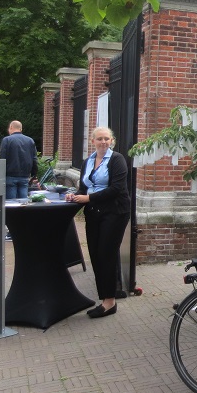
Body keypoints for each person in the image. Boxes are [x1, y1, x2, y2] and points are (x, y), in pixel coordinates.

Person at [66, 127, 130, 319]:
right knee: (94, 253)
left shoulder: (117, 160)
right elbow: (84, 187)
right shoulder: (88, 161)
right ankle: (105, 297)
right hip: (94, 212)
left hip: (114, 211)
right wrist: (75, 195)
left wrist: (88, 198)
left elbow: (117, 188)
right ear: (93, 141)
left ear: (112, 141)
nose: (103, 142)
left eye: (107, 139)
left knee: (106, 254)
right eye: (99, 139)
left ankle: (109, 302)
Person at [0, 120, 38, 201]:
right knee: (24, 201)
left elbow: (2, 158)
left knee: (11, 202)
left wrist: (1, 174)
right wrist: (34, 174)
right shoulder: (30, 141)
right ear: (21, 129)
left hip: (10, 175)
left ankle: (13, 213)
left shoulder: (7, 140)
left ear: (11, 127)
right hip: (24, 175)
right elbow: (34, 159)